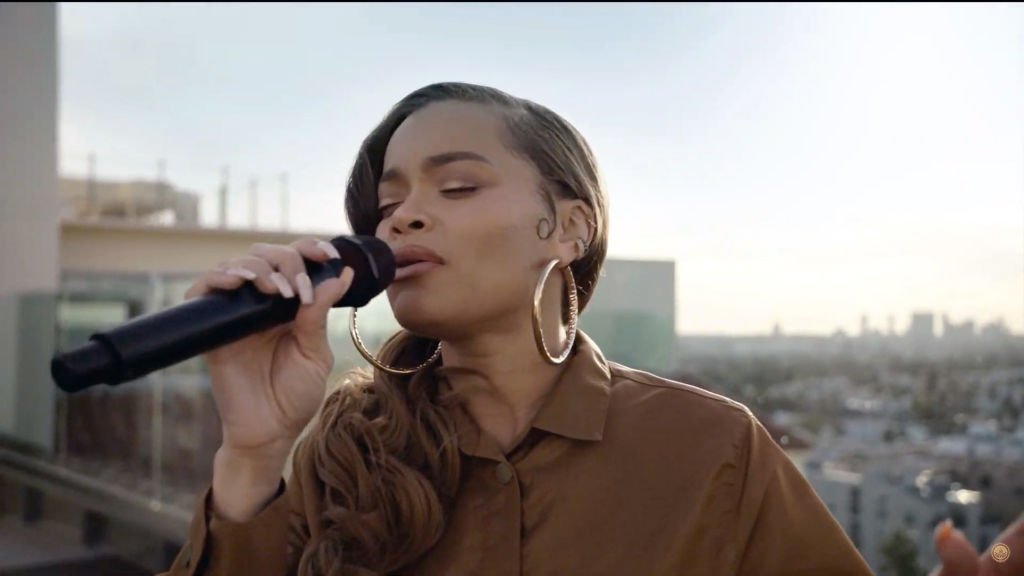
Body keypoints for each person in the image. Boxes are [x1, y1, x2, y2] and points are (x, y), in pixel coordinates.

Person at [161, 81, 886, 575]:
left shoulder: (712, 449)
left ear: (569, 228)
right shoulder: (341, 453)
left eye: (458, 186)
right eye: (387, 205)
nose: (402, 217)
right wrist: (253, 455)